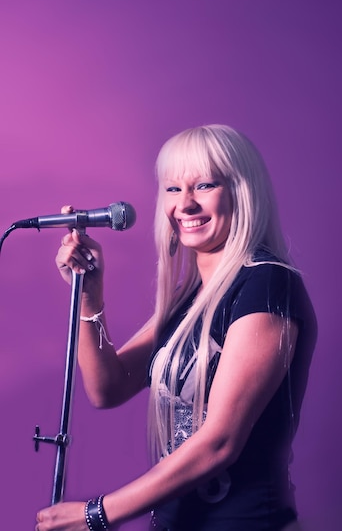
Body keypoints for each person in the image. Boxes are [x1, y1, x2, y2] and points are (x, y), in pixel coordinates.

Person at [35, 124, 317, 531]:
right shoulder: (191, 298)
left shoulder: (267, 284)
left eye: (204, 185)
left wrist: (96, 514)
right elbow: (107, 387)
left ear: (242, 191)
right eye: (172, 189)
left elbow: (219, 442)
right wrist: (89, 296)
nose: (185, 204)